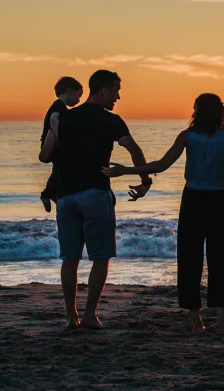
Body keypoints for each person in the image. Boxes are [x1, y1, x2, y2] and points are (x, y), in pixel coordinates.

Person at [103, 94, 224, 335]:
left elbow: (161, 165)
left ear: (197, 111)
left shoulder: (188, 136)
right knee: (221, 260)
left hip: (194, 200)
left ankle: (196, 321)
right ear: (220, 112)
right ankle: (222, 322)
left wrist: (127, 170)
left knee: (190, 259)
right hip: (217, 200)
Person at [39, 70, 152, 330]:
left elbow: (47, 155)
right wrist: (145, 182)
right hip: (95, 194)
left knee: (70, 258)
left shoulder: (64, 118)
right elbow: (134, 149)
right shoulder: (111, 121)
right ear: (103, 91)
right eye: (115, 91)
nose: (118, 97)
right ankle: (89, 314)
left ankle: (71, 316)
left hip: (66, 197)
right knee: (100, 257)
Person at [40, 76, 84, 212]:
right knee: (59, 169)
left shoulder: (58, 105)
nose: (78, 100)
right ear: (69, 91)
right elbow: (54, 120)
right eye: (78, 95)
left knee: (58, 169)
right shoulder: (59, 106)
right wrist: (62, 138)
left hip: (53, 143)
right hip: (54, 144)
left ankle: (52, 194)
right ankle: (47, 194)